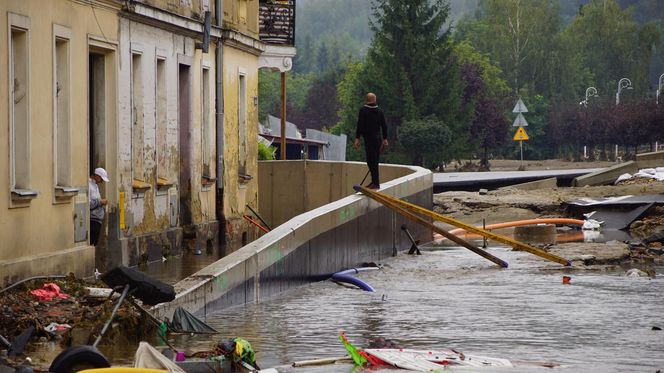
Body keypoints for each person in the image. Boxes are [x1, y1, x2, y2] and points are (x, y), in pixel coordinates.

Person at [354, 92, 388, 189]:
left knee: (371, 161)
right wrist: (385, 138)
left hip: (369, 139)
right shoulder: (379, 111)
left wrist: (357, 138)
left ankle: (375, 183)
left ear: (367, 100)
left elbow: (360, 125)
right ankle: (374, 181)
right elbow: (384, 126)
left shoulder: (363, 110)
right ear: (374, 100)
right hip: (378, 139)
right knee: (374, 161)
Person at [89, 167, 109, 246]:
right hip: (92, 219)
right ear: (97, 176)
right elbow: (89, 204)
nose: (101, 182)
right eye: (101, 179)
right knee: (92, 242)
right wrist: (100, 202)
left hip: (97, 219)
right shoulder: (89, 185)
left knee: (95, 243)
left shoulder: (95, 185)